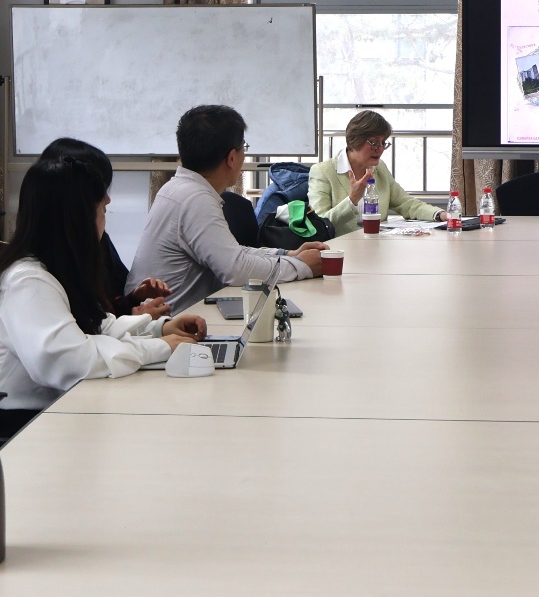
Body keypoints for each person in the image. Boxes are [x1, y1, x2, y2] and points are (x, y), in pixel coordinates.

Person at [0, 154, 206, 439]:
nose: (105, 219)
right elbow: (69, 361)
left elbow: (97, 326)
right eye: (102, 209)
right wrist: (159, 348)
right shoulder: (28, 281)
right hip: (23, 427)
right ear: (77, 220)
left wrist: (160, 329)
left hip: (59, 410)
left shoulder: (57, 268)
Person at [128, 105, 325, 314]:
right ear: (231, 158)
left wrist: (289, 255)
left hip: (168, 317)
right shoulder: (195, 199)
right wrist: (301, 267)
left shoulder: (177, 188)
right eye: (244, 148)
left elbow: (231, 252)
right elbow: (236, 269)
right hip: (173, 322)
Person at [37, 137, 173, 319]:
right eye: (99, 190)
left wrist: (133, 300)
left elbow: (104, 312)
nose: (107, 200)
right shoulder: (42, 273)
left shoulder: (94, 241)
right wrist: (136, 320)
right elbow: (88, 327)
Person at [308, 110, 447, 235]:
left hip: (376, 244)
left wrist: (440, 214)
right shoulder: (322, 171)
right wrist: (352, 200)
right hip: (340, 248)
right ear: (355, 140)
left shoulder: (380, 169)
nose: (380, 149)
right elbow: (320, 225)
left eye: (383, 142)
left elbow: (406, 204)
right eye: (374, 143)